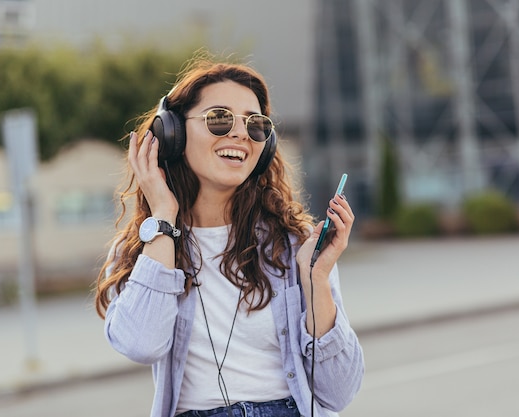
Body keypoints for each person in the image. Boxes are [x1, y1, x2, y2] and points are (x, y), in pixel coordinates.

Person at [94, 56, 364, 417]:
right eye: (219, 118)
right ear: (172, 134)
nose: (239, 133)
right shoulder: (147, 246)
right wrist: (163, 216)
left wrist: (316, 280)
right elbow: (141, 344)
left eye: (255, 125)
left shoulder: (294, 243)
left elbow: (339, 391)